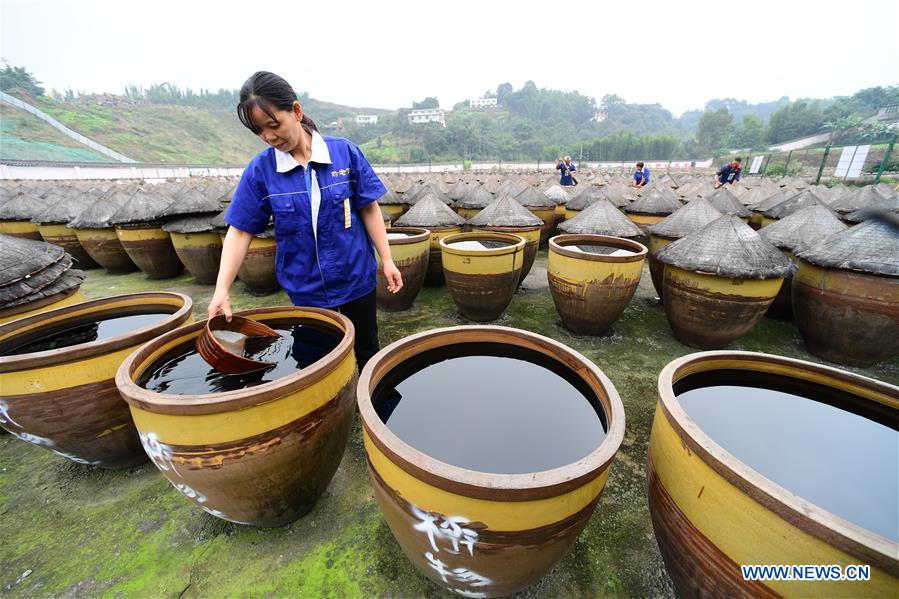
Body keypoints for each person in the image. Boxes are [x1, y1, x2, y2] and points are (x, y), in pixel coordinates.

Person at [207, 71, 402, 368]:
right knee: (314, 361)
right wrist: (222, 289)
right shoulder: (261, 170)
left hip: (356, 279)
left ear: (296, 111)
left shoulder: (344, 153)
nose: (270, 137)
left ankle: (372, 409)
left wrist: (387, 260)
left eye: (274, 125)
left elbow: (369, 208)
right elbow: (240, 231)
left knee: (366, 353)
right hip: (306, 289)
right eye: (260, 131)